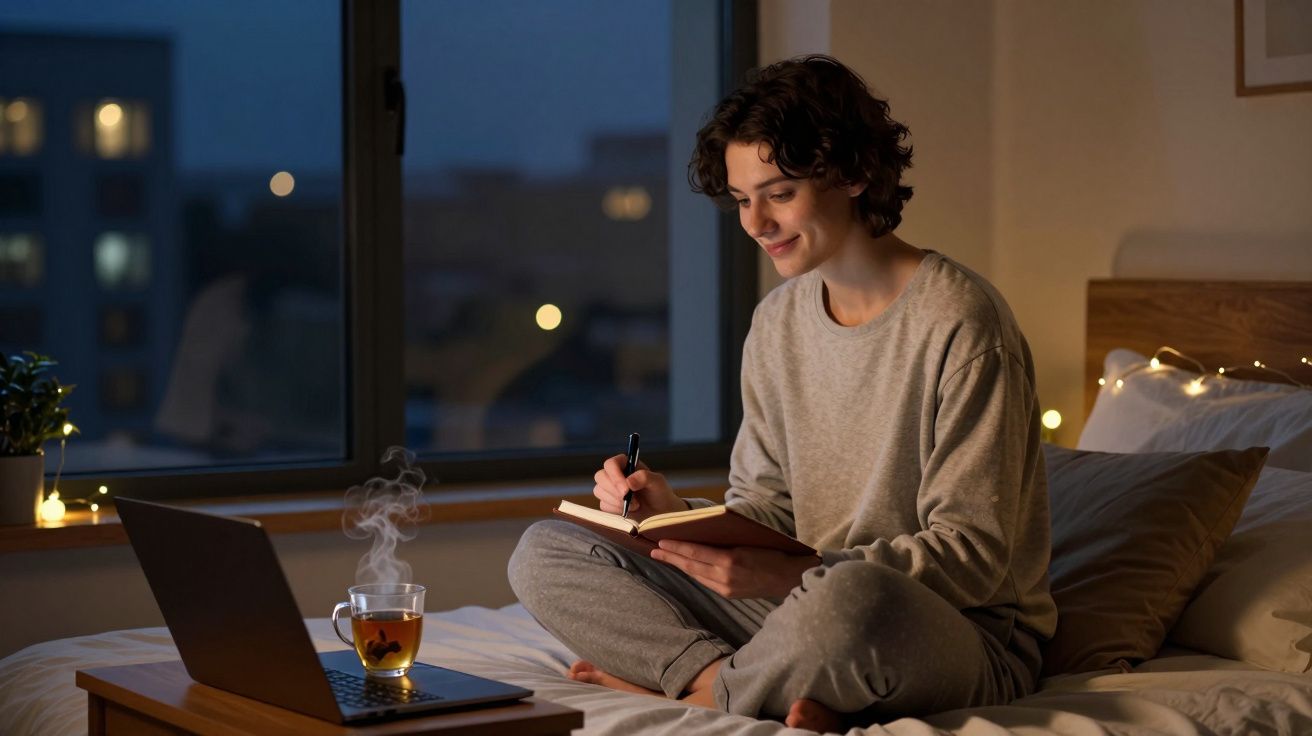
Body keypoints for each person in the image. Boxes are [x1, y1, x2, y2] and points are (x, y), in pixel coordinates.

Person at [508, 54, 1055, 732]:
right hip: (797, 606)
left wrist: (798, 578)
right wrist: (679, 516)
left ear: (855, 173)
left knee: (851, 600)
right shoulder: (777, 321)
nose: (755, 222)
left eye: (780, 192)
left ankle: (698, 692)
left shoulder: (964, 324)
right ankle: (724, 682)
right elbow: (766, 505)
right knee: (544, 552)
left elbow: (972, 558)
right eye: (742, 199)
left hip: (950, 631)